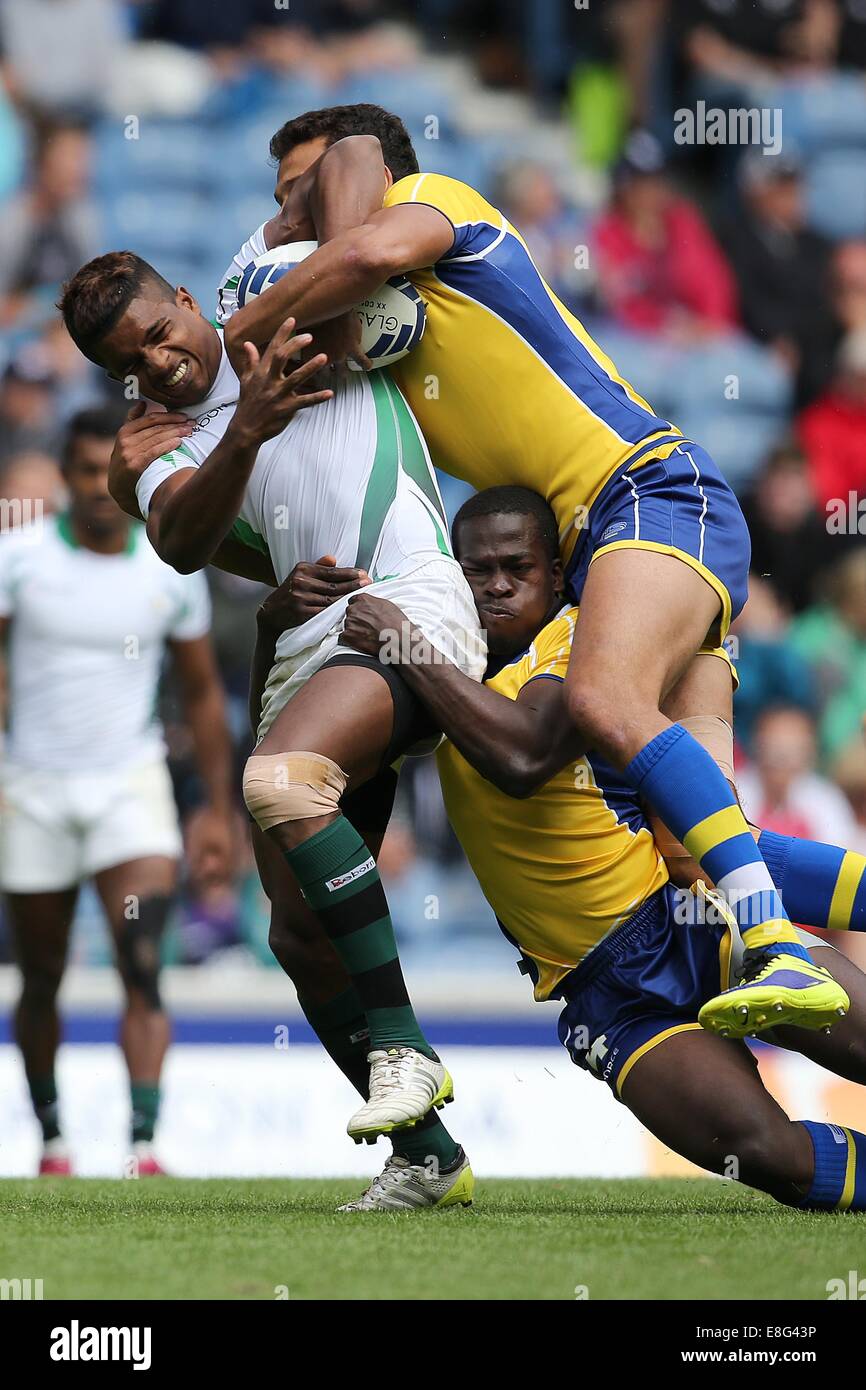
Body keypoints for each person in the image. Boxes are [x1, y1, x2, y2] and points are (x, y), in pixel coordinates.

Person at [217, 101, 846, 1039]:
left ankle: (777, 947)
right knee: (690, 848)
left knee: (602, 701)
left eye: (301, 194)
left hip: (649, 489)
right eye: (278, 207)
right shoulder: (378, 363)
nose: (290, 223)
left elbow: (353, 243)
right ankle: (787, 928)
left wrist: (248, 320)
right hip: (619, 545)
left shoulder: (437, 203)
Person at [60, 250, 485, 1171]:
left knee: (284, 779)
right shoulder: (146, 449)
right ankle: (426, 1157)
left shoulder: (277, 313)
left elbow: (352, 174)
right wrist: (242, 431)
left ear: (184, 298)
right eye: (133, 363)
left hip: (406, 598)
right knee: (293, 933)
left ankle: (404, 1047)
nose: (160, 365)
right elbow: (178, 541)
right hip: (306, 642)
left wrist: (296, 213)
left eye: (162, 334)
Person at [338, 486, 866, 1214]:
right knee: (775, 1162)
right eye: (477, 571)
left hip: (685, 922)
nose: (495, 585)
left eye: (515, 567)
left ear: (556, 575)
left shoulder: (580, 639)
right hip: (603, 997)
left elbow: (521, 756)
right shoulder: (446, 674)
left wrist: (404, 642)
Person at [0, 406, 235, 1176]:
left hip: (130, 791)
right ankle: (53, 1139)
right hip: (30, 788)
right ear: (67, 477)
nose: (101, 489)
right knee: (41, 976)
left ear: (130, 477)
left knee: (142, 964)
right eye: (85, 471)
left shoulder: (168, 565)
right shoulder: (18, 557)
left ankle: (143, 1145)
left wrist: (216, 810)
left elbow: (202, 695)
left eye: (114, 473)